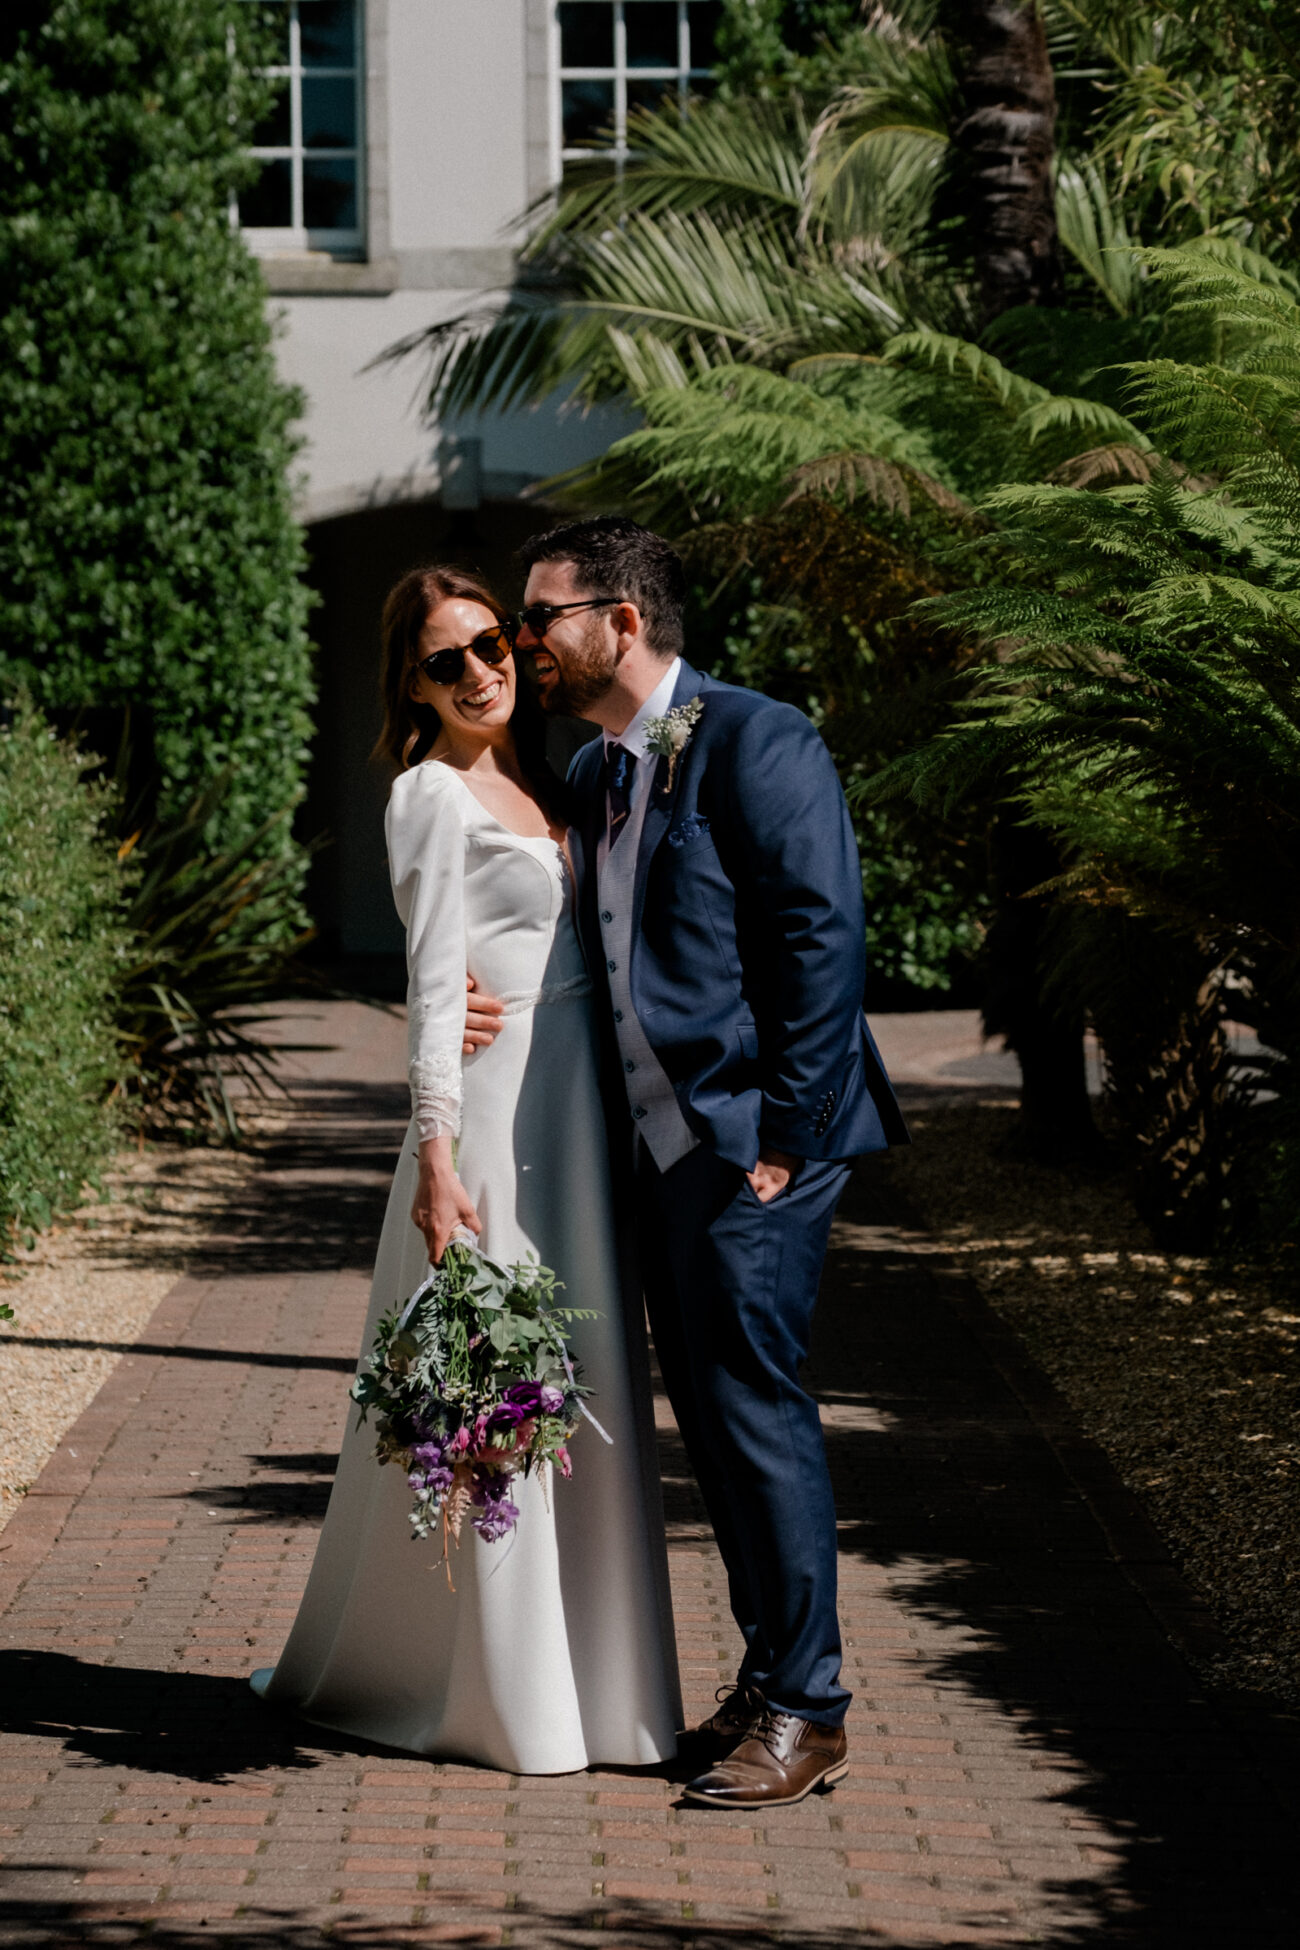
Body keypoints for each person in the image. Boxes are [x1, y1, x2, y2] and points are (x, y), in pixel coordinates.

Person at [470, 517, 907, 1808]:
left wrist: (786, 1139)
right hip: (667, 1157)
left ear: (623, 619)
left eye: (543, 615)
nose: (524, 639)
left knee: (755, 1410)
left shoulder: (758, 739)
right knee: (712, 1424)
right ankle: (775, 1675)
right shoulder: (600, 769)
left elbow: (821, 937)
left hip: (751, 1151)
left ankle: (812, 1707)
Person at [250, 565, 681, 1774]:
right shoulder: (430, 796)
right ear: (414, 684)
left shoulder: (554, 778)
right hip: (491, 1126)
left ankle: (605, 1689)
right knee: (499, 1382)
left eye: (491, 643)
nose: (481, 671)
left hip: (579, 1123)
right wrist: (436, 1162)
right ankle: (501, 1696)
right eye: (448, 661)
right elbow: (436, 984)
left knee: (583, 1378)